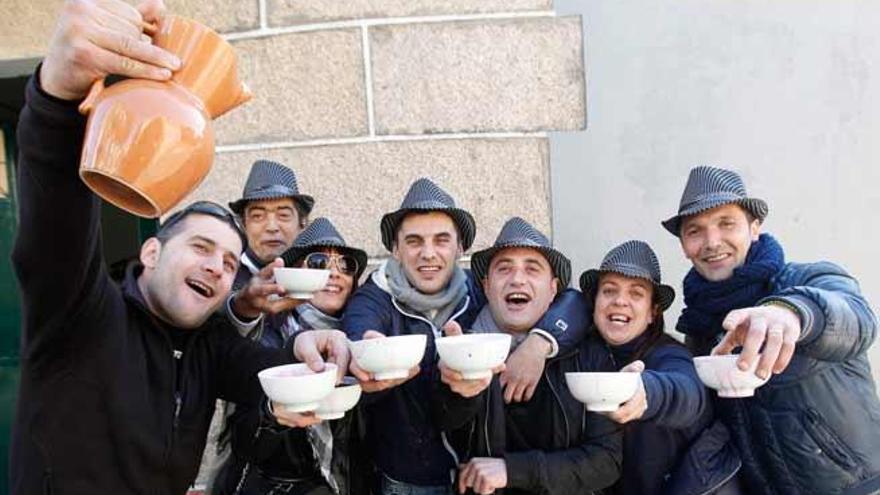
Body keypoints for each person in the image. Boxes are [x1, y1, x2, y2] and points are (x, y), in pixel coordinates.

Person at [10, 2, 348, 493]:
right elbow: (54, 228)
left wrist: (329, 354)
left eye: (230, 261)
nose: (217, 267)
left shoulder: (208, 346)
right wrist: (57, 99)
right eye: (202, 248)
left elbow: (268, 373)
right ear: (151, 253)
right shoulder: (80, 311)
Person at [343, 181, 589, 494]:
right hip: (408, 482)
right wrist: (364, 357)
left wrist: (539, 344)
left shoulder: (479, 289)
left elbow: (575, 302)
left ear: (460, 248)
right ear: (396, 250)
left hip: (474, 479)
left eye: (442, 240)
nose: (428, 254)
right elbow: (357, 336)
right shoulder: (375, 299)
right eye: (415, 241)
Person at [664, 165, 880, 495]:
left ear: (754, 228)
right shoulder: (700, 323)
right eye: (695, 231)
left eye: (726, 224)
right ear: (684, 245)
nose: (711, 242)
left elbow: (857, 320)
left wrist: (791, 314)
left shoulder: (806, 281)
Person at [437, 217, 622, 495]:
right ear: (486, 287)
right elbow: (442, 425)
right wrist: (456, 390)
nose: (517, 279)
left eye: (532, 269)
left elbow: (605, 461)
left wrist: (513, 471)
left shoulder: (588, 353)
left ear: (553, 289)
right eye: (504, 268)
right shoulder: (461, 347)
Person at [215, 218, 371, 495]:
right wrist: (273, 414)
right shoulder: (264, 335)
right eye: (319, 263)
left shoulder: (361, 338)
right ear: (295, 274)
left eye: (345, 265)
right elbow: (243, 437)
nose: (334, 273)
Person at [579, 240, 741, 494]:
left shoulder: (669, 354)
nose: (620, 301)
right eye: (609, 290)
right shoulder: (585, 352)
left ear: (652, 312)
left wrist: (647, 392)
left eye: (636, 293)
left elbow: (689, 391)